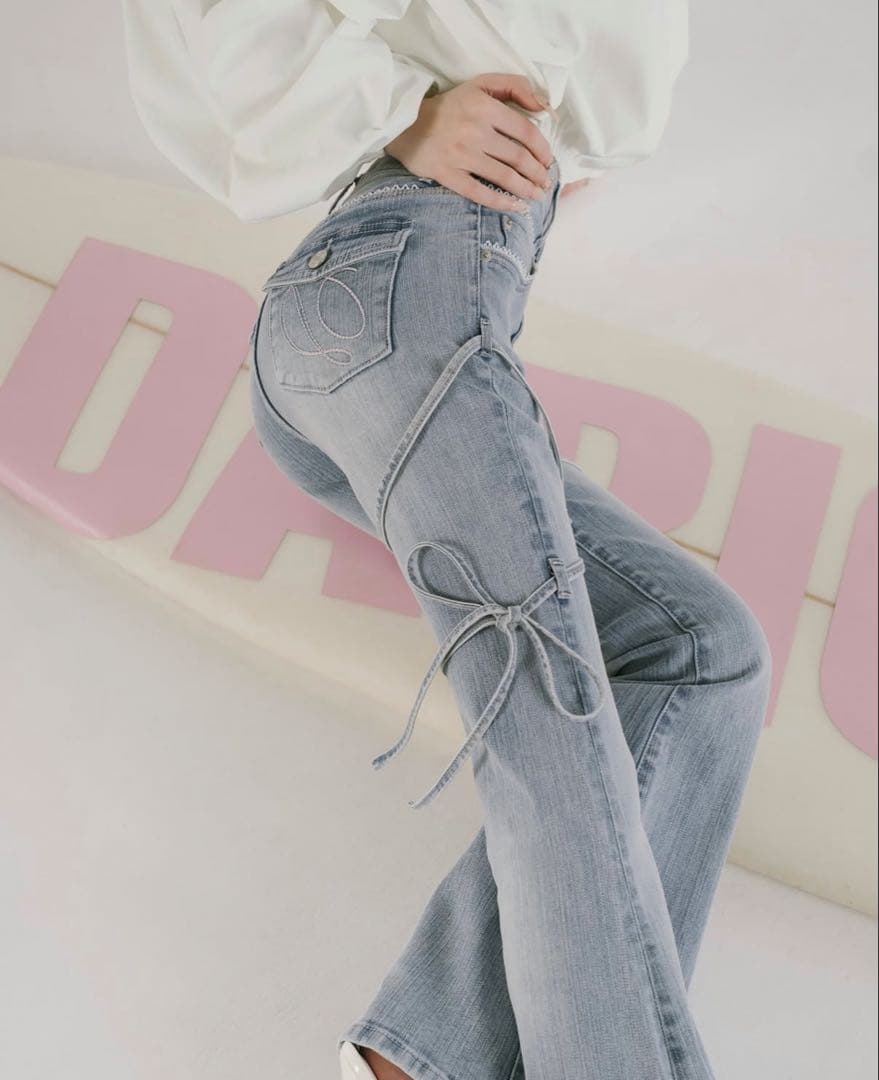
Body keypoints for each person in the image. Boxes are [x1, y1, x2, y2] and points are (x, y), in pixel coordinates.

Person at [122, 4, 772, 1078]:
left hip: (410, 302)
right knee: (548, 717)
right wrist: (404, 114)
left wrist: (521, 146)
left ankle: (424, 1062)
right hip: (407, 286)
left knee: (702, 648)